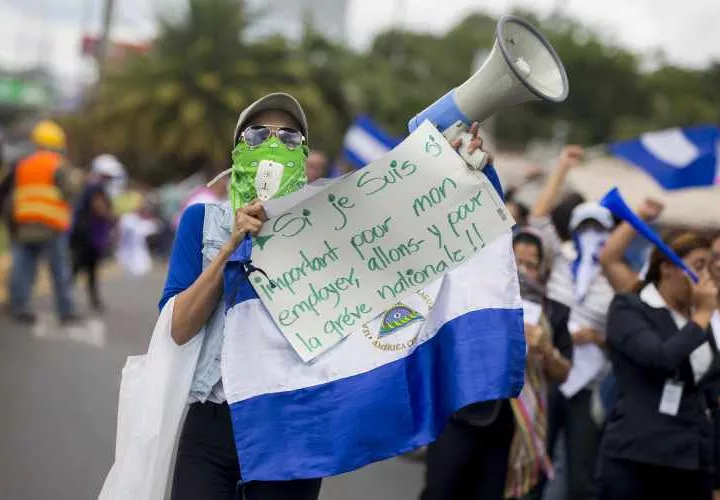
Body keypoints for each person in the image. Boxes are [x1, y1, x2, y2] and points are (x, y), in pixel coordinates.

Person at [419, 127, 518, 500]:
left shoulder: (497, 261)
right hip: (453, 405)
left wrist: (482, 172)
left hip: (498, 407)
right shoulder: (435, 257)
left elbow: (495, 218)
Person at [598, 232, 718, 500]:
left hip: (691, 458)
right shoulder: (630, 308)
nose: (706, 279)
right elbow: (659, 358)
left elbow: (709, 390)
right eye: (699, 266)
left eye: (709, 269)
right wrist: (700, 317)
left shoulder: (697, 319)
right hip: (640, 454)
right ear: (667, 267)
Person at [529, 145, 614, 500]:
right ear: (574, 230)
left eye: (599, 229)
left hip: (588, 383)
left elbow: (627, 336)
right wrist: (562, 168)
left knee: (581, 471)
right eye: (585, 227)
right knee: (534, 463)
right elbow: (537, 219)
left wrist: (597, 337)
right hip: (547, 376)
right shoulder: (561, 263)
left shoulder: (616, 279)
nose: (591, 234)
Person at [505, 227, 573, 500]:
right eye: (515, 261)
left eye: (530, 265)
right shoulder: (486, 300)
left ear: (543, 270)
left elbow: (563, 372)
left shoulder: (555, 312)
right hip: (488, 416)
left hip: (531, 416)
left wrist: (546, 349)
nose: (521, 270)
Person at [6, 120, 80, 323]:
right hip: (51, 225)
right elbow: (70, 191)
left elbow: (12, 196)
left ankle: (19, 307)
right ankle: (65, 311)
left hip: (25, 226)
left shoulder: (23, 165)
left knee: (23, 268)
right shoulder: (57, 164)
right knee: (59, 269)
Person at [70, 154, 124, 312]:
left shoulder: (90, 185)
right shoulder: (96, 187)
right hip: (87, 236)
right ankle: (66, 301)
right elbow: (99, 207)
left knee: (88, 269)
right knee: (79, 268)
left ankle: (91, 300)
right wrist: (112, 217)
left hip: (86, 235)